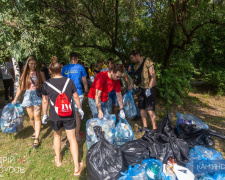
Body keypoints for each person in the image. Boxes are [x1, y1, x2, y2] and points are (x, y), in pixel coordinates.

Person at [41, 61, 83, 176]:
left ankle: (58, 160)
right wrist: (79, 109)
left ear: (49, 71)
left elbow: (45, 100)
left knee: (57, 135)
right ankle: (76, 166)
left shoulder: (46, 84)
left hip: (55, 115)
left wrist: (44, 114)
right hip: (69, 114)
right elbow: (75, 96)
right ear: (61, 69)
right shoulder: (69, 81)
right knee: (72, 138)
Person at [12, 56, 46, 148]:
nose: (33, 65)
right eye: (31, 63)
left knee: (37, 116)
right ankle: (35, 130)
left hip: (37, 95)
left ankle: (36, 138)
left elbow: (45, 85)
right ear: (28, 64)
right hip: (27, 95)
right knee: (31, 117)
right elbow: (20, 87)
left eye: (35, 63)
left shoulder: (40, 73)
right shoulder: (25, 74)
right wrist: (15, 99)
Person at [61, 52, 88, 141]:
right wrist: (86, 90)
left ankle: (70, 134)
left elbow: (62, 80)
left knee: (68, 113)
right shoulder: (80, 67)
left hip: (66, 93)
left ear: (70, 58)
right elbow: (84, 80)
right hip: (78, 92)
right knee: (76, 113)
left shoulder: (65, 68)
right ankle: (77, 135)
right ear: (76, 58)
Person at [129, 49, 157, 132]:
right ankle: (145, 127)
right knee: (141, 107)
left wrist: (149, 88)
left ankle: (154, 129)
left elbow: (153, 76)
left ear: (137, 54)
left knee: (150, 109)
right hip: (141, 88)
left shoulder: (148, 61)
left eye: (132, 57)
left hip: (149, 88)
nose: (132, 59)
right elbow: (135, 77)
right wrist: (131, 85)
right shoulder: (136, 66)